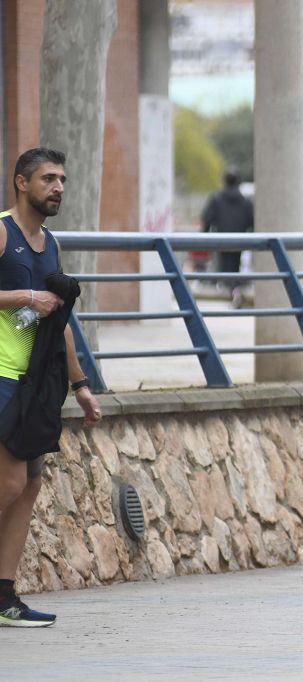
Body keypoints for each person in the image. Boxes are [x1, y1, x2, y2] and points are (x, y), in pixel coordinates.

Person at [0, 148, 102, 627]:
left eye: (62, 178)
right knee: (11, 480)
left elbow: (59, 318)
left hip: (37, 382)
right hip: (0, 374)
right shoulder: (2, 231)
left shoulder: (52, 244)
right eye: (48, 178)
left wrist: (81, 384)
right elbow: (33, 302)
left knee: (31, 484)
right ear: (21, 183)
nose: (58, 186)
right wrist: (24, 296)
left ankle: (5, 597)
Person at [200, 170, 254, 308]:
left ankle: (231, 291)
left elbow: (207, 218)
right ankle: (235, 290)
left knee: (225, 266)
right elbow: (251, 221)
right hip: (239, 240)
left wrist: (203, 236)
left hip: (222, 239)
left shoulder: (216, 199)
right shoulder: (245, 201)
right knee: (235, 266)